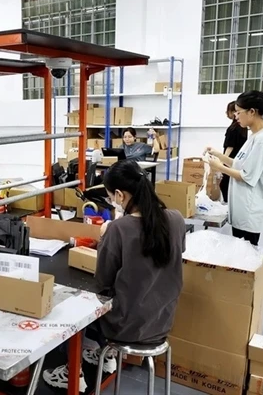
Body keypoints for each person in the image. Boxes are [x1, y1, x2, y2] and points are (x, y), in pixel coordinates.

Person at [43, 160, 186, 390]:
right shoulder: (177, 219)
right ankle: (105, 357)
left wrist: (107, 237)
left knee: (73, 303)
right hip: (162, 321)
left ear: (120, 195)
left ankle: (73, 373)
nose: (111, 201)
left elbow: (102, 281)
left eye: (111, 197)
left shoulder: (118, 229)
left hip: (126, 326)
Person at [205, 90, 263, 246]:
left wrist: (219, 167)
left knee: (246, 256)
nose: (235, 116)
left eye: (238, 112)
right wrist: (219, 155)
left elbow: (246, 176)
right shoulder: (254, 136)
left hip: (249, 212)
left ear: (252, 112)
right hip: (242, 210)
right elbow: (240, 164)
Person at [219, 101, 248, 202]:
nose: (226, 113)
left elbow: (229, 147)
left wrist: (221, 163)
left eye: (228, 111)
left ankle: (228, 207)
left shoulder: (233, 128)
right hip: (239, 160)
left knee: (224, 184)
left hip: (231, 160)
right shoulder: (242, 128)